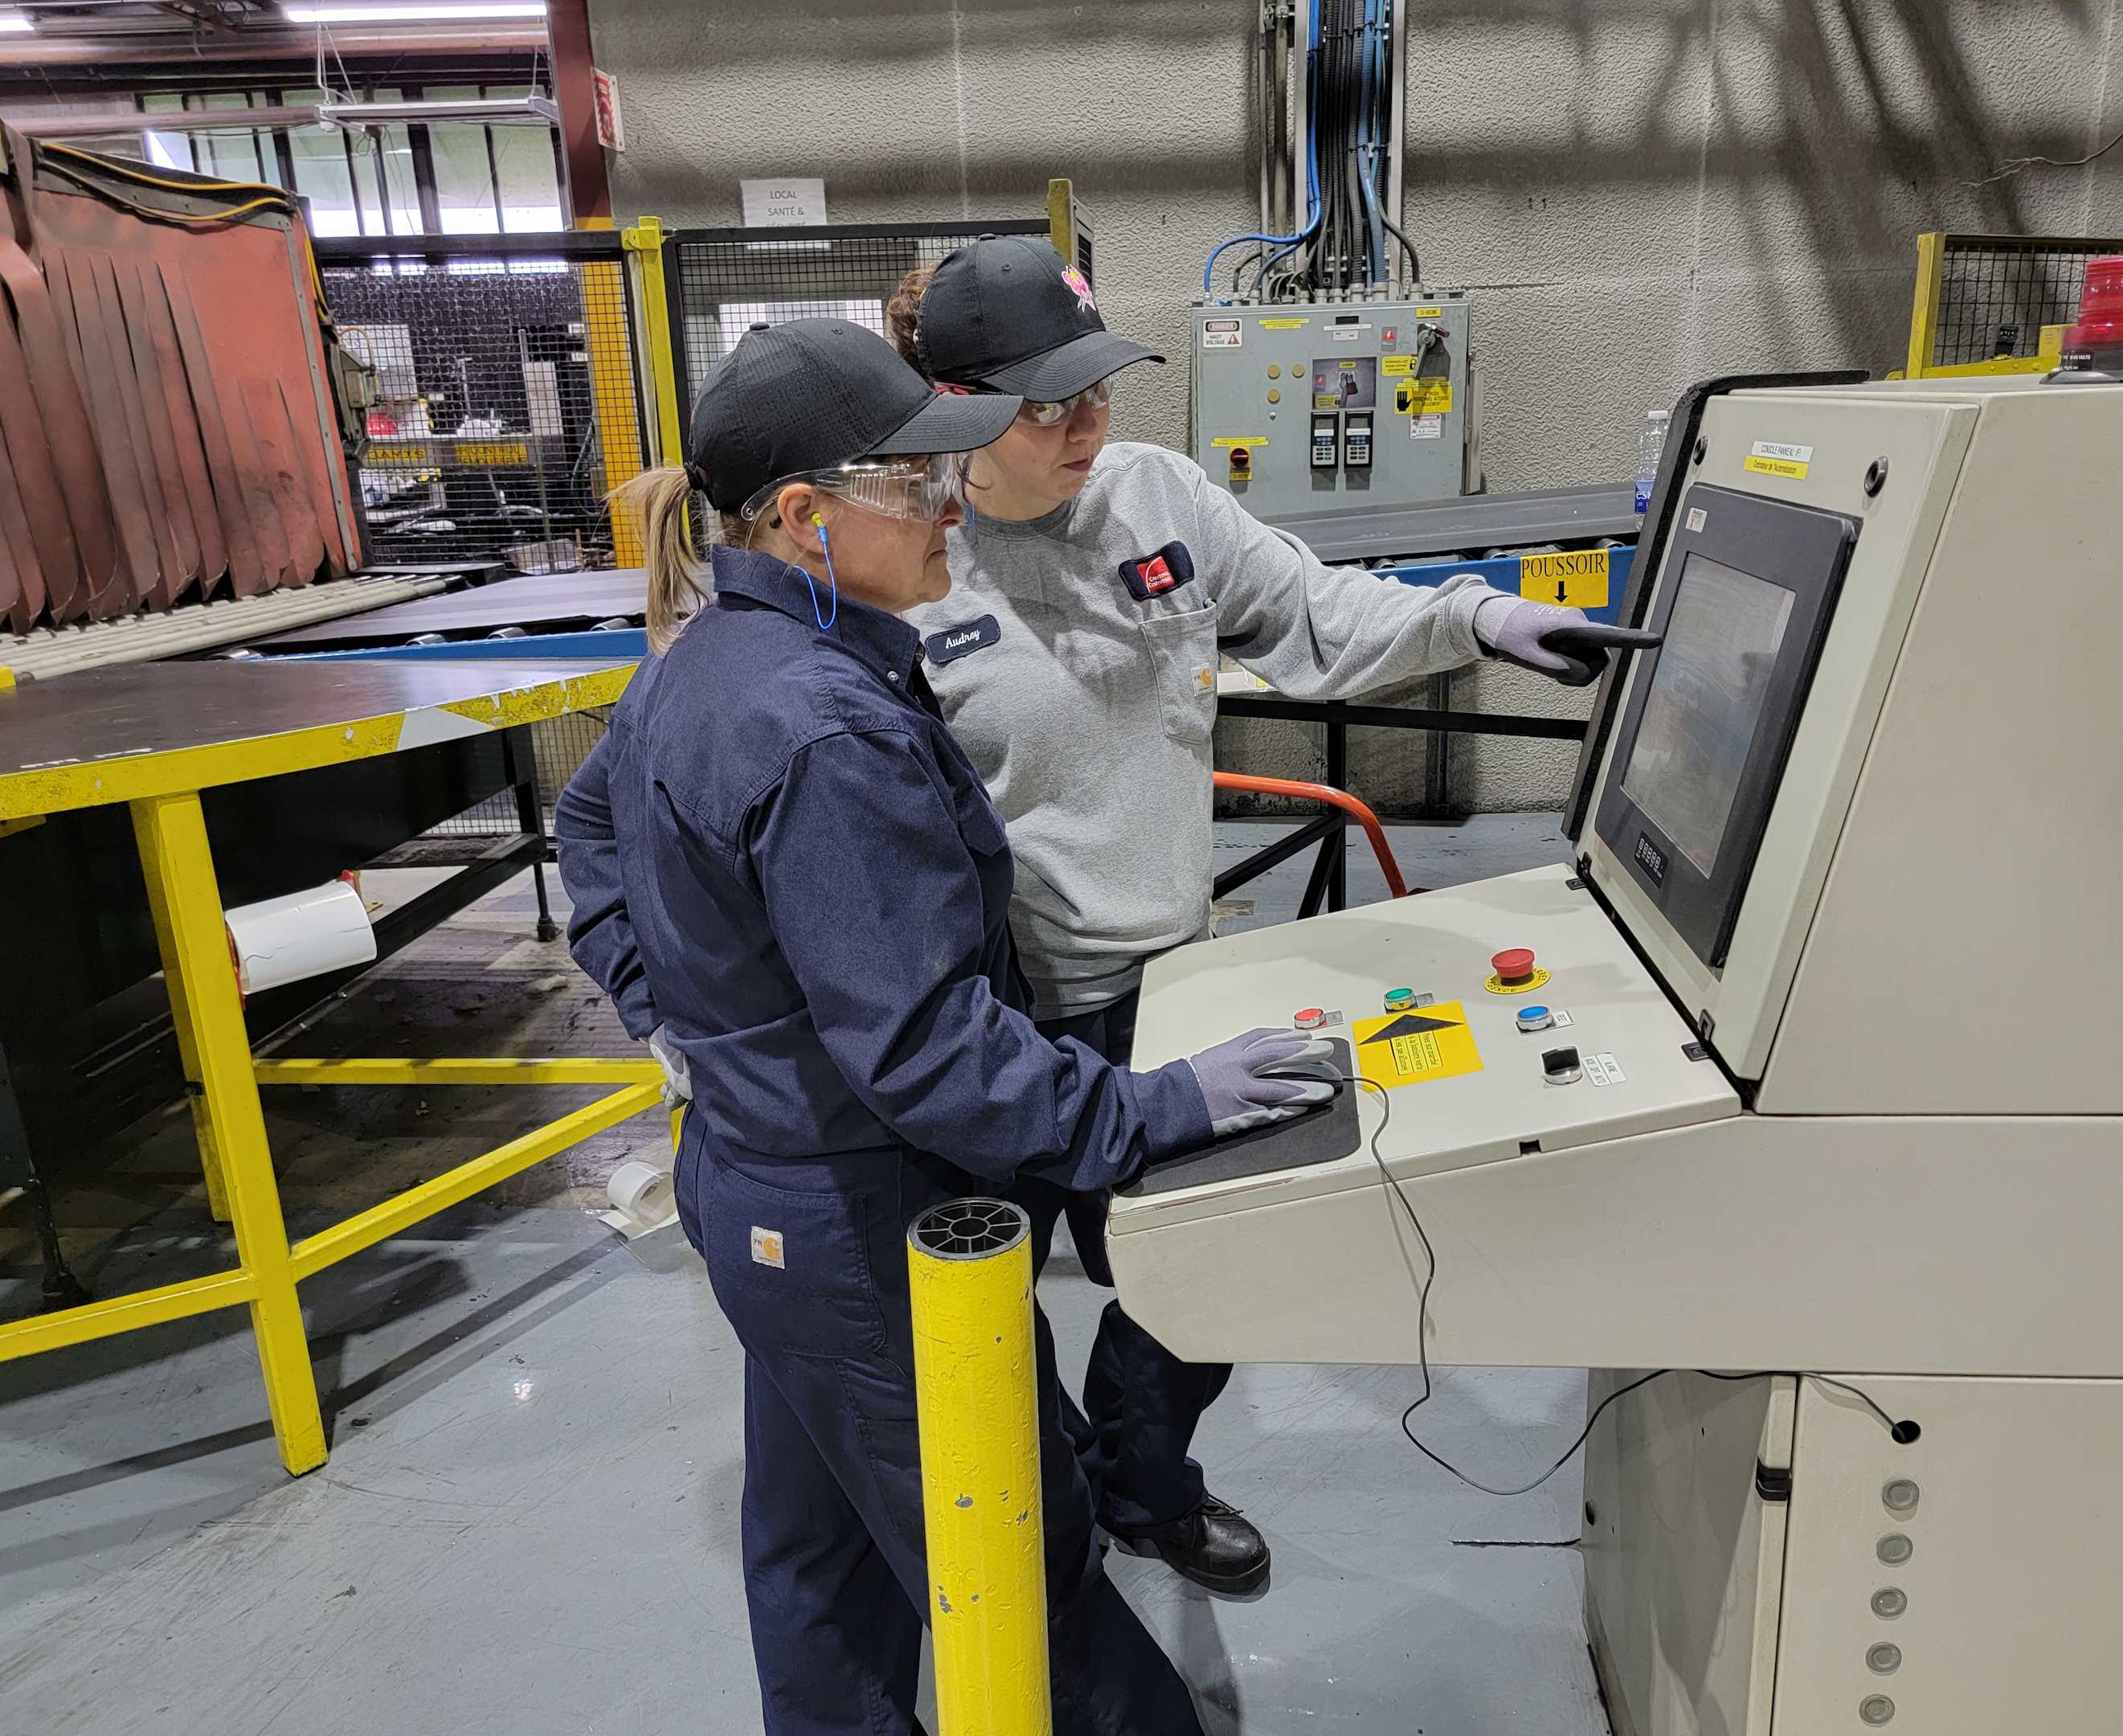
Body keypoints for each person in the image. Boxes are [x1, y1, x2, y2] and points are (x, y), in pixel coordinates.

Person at [553, 317, 1340, 1735]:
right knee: (1025, 1579)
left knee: (817, 1562)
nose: (948, 507)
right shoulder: (823, 725)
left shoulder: (714, 652)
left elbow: (588, 818)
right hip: (856, 1224)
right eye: (914, 483)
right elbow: (929, 1053)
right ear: (806, 518)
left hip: (757, 1192)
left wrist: (676, 1015)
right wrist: (1164, 1108)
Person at [886, 239, 1658, 1594]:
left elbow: (1312, 610)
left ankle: (1139, 1488)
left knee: (1203, 1277)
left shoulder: (1157, 497)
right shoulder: (903, 556)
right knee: (986, 1306)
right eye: (1046, 406)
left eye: (1097, 390)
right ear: (956, 407)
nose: (1086, 426)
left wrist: (1478, 622)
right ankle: (1042, 1512)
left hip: (1166, 987)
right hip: (995, 1021)